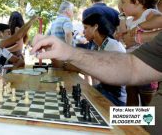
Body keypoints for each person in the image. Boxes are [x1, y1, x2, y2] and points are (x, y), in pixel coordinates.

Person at [31, 33, 162, 134]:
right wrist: (69, 52)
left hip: (143, 116)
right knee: (93, 117)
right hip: (147, 117)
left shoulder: (112, 44)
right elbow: (133, 66)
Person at [118, 0, 161, 106]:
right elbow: (125, 34)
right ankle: (131, 123)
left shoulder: (148, 14)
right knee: (131, 94)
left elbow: (160, 20)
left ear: (136, 2)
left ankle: (147, 124)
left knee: (147, 101)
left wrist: (141, 26)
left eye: (124, 2)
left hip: (146, 67)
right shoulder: (130, 20)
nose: (121, 6)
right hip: (132, 67)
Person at [82, 14, 126, 106]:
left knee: (82, 100)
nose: (83, 32)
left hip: (116, 99)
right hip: (107, 91)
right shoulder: (102, 45)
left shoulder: (112, 46)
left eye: (86, 28)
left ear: (95, 27)